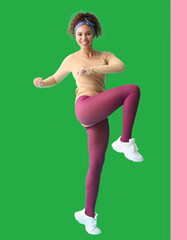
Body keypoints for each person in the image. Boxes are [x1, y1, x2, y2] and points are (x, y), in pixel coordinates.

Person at [32, 12, 143, 235]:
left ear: (95, 34)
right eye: (80, 34)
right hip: (85, 106)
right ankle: (124, 141)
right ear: (75, 36)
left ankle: (88, 215)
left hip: (98, 115)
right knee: (132, 90)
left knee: (97, 165)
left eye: (88, 34)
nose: (84, 38)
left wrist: (92, 69)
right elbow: (55, 78)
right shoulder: (71, 59)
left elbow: (120, 66)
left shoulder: (104, 55)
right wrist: (43, 83)